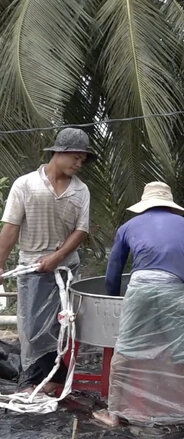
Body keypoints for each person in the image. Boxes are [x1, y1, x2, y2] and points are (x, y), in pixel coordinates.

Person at [93, 182, 184, 433]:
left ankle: (114, 414)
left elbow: (113, 272)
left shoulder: (127, 227)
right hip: (174, 287)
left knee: (125, 350)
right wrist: (179, 301)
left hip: (140, 287)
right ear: (171, 204)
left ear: (144, 205)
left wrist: (115, 298)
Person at [0, 128, 94, 394]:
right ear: (58, 153)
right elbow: (11, 228)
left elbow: (81, 230)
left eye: (82, 160)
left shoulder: (80, 190)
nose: (79, 163)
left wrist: (56, 257)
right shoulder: (25, 184)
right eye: (75, 157)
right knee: (31, 328)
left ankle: (52, 379)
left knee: (60, 325)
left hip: (65, 268)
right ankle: (34, 380)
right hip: (31, 267)